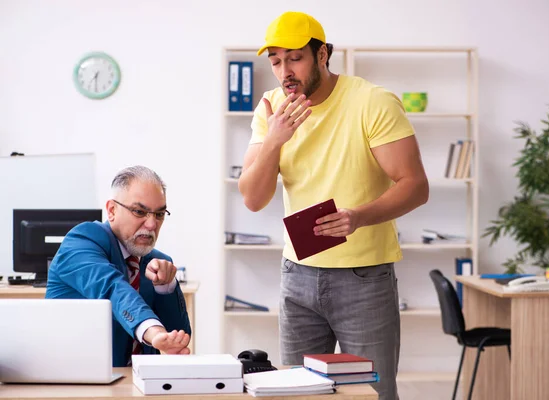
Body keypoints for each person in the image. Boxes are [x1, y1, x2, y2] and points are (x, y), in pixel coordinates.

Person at [238, 11, 429, 400]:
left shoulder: (372, 101)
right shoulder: (271, 109)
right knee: (298, 393)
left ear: (322, 54)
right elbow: (253, 198)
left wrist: (359, 217)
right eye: (276, 61)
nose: (284, 71)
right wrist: (275, 140)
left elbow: (415, 186)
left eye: (295, 58)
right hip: (298, 276)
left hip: (364, 279)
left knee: (373, 394)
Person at [46, 166, 192, 367]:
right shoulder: (82, 241)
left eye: (159, 214)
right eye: (139, 211)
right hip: (79, 381)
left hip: (138, 385)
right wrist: (153, 331)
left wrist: (165, 288)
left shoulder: (157, 262)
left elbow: (178, 340)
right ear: (112, 210)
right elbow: (112, 287)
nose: (151, 224)